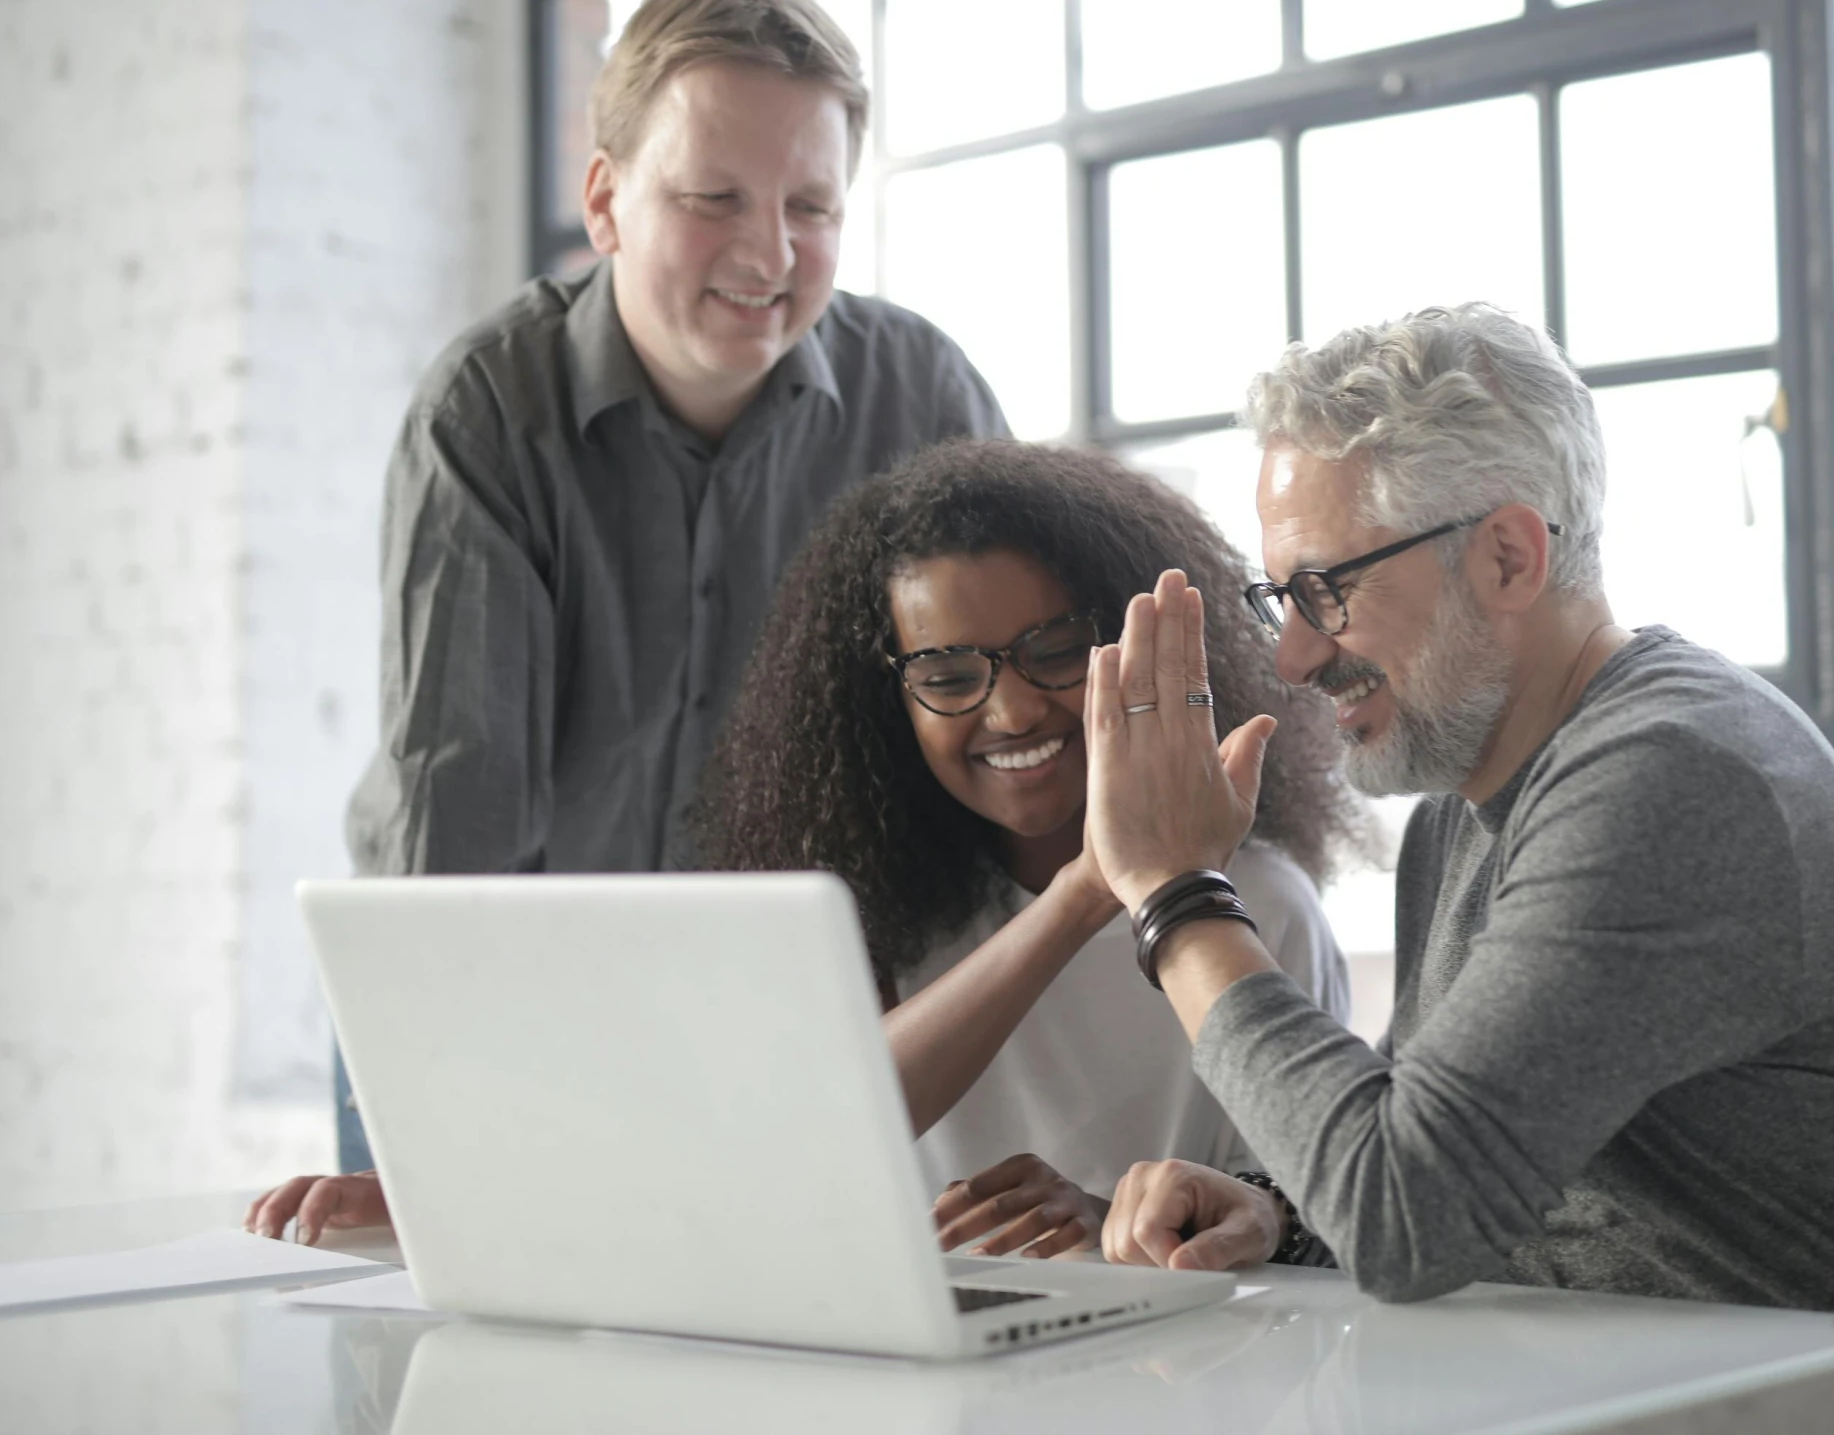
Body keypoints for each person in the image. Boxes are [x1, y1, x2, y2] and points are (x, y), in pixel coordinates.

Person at [1070, 306, 1834, 1434]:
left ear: (1510, 556)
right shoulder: (1473, 802)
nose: (1291, 654)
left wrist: (1179, 898)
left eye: (1326, 591)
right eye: (1279, 597)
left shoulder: (1675, 776)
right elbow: (1450, 1168)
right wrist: (1277, 1217)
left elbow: (1405, 1219)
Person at [248, 441, 1352, 1257]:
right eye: (948, 673)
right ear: (890, 704)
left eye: (1052, 650)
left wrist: (1111, 1211)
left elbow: (1295, 1210)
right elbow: (770, 1134)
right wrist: (455, 1209)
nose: (1010, 709)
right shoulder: (872, 908)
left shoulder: (1250, 901)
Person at [334, 0, 1007, 1169]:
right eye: (714, 197)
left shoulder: (925, 401)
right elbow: (458, 815)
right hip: (496, 999)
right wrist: (445, 1137)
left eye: (813, 205)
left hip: (810, 1022)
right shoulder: (486, 415)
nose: (770, 251)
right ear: (605, 201)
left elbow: (995, 739)